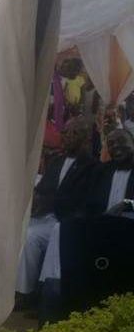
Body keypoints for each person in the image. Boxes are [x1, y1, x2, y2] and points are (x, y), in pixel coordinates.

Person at [15, 117, 97, 304]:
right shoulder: (56, 161)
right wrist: (36, 198)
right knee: (17, 230)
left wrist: (51, 202)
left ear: (86, 138)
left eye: (74, 133)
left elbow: (85, 200)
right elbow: (42, 188)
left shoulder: (92, 167)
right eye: (65, 132)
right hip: (44, 216)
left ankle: (29, 293)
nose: (67, 136)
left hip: (66, 220)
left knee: (31, 237)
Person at [39, 128, 134, 286]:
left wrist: (128, 204)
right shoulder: (101, 171)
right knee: (62, 229)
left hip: (129, 227)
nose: (116, 146)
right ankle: (52, 285)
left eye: (121, 141)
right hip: (100, 225)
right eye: (111, 144)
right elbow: (88, 201)